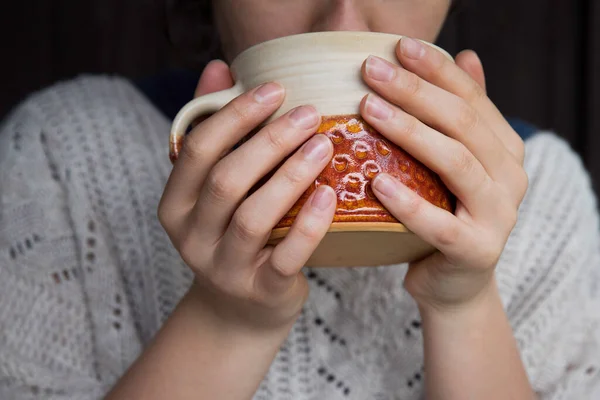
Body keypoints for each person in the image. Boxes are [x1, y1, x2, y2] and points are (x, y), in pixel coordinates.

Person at [1, 0, 599, 399]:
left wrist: (466, 304)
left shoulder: (544, 190)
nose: (342, 16)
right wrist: (228, 317)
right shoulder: (63, 157)